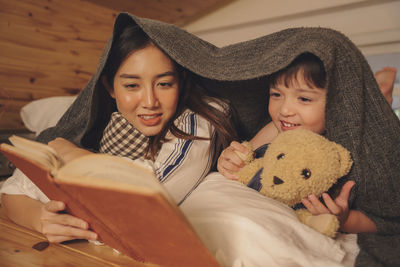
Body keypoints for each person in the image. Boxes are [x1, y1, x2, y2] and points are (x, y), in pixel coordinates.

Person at [0, 16, 238, 243]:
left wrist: (70, 152)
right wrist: (39, 218)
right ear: (110, 88)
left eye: (164, 84)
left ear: (181, 81)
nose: (149, 101)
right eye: (132, 85)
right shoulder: (106, 125)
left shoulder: (204, 116)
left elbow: (149, 191)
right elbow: (12, 189)